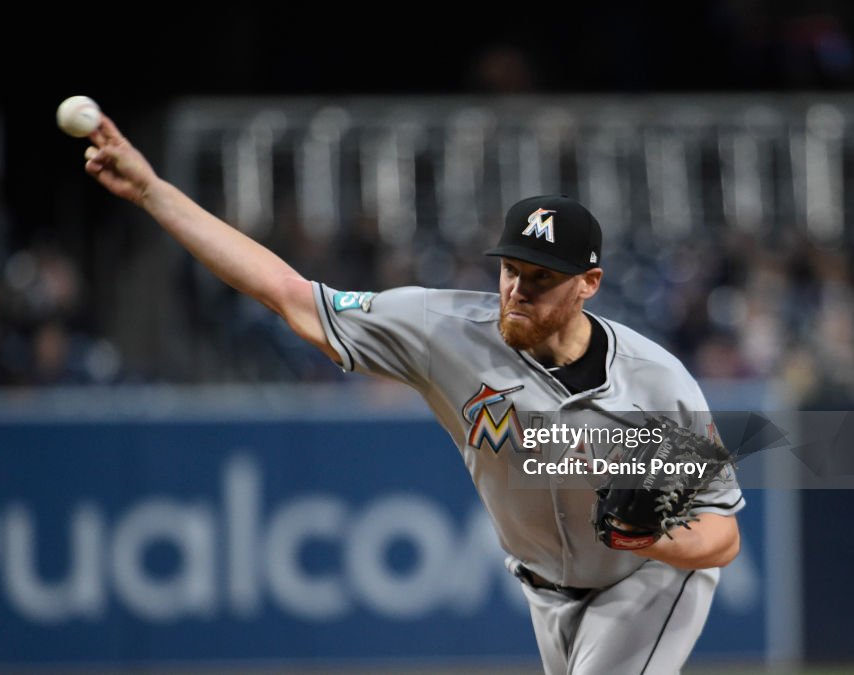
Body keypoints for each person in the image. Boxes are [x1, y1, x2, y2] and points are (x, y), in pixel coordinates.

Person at [81, 114, 744, 675]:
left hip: (648, 581)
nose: (516, 289)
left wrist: (653, 543)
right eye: (510, 269)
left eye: (540, 277)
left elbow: (721, 534)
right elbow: (288, 295)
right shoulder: (443, 328)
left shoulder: (656, 385)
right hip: (546, 590)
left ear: (588, 284)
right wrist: (153, 192)